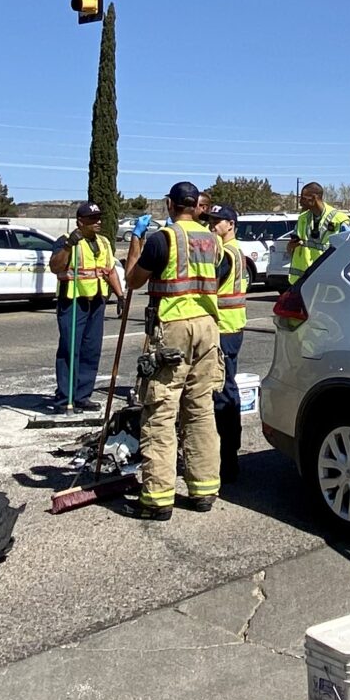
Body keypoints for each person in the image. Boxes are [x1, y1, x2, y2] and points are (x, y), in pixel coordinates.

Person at [119, 182, 225, 521]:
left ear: (170, 204)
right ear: (196, 205)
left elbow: (133, 280)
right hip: (207, 327)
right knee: (200, 409)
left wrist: (137, 239)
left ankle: (157, 498)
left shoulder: (163, 239)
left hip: (174, 329)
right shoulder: (213, 240)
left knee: (161, 411)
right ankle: (204, 489)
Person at [54, 202, 125, 413]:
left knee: (91, 349)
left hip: (97, 301)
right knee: (70, 349)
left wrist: (120, 295)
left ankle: (82, 396)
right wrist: (69, 246)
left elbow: (109, 270)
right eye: (93, 219)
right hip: (73, 300)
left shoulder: (103, 242)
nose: (98, 222)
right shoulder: (66, 241)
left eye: (99, 218)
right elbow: (55, 266)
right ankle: (64, 399)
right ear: (80, 222)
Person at [207, 204, 249, 482]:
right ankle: (229, 453)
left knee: (222, 391)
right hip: (232, 326)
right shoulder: (235, 249)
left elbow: (210, 284)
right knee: (227, 388)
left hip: (224, 327)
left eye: (218, 221)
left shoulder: (227, 253)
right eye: (211, 220)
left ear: (231, 224)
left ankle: (228, 458)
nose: (212, 225)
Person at [286, 182, 350, 281]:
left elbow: (349, 252)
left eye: (303, 198)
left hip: (327, 280)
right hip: (302, 281)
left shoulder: (340, 220)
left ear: (313, 198)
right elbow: (292, 249)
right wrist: (290, 246)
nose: (300, 202)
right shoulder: (302, 218)